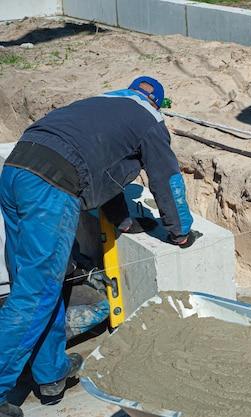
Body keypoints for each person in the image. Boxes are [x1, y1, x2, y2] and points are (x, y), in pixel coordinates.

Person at [0, 76, 198, 417]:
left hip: (16, 171)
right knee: (36, 294)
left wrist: (122, 220)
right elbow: (167, 177)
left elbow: (105, 172)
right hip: (51, 185)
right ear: (157, 103)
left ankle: (50, 374)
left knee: (37, 285)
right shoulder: (148, 119)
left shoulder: (99, 107)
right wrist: (180, 230)